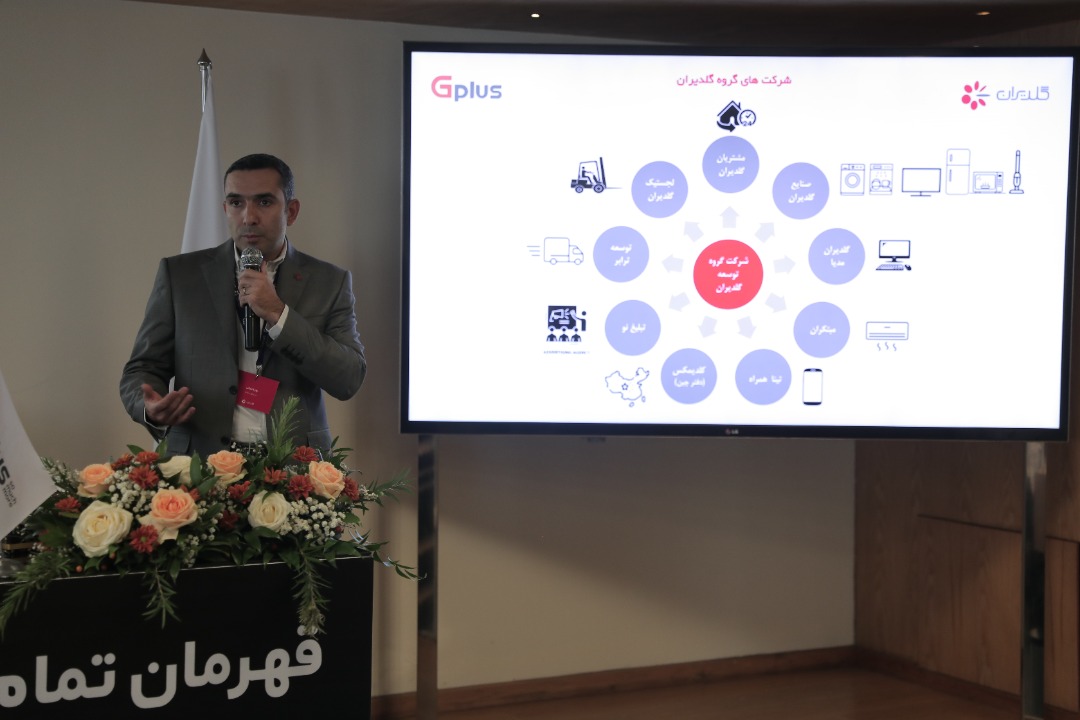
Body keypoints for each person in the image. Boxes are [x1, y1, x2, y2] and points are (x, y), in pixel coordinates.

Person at [120, 153, 366, 458]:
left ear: (291, 211)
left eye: (264, 202)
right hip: (200, 463)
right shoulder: (181, 276)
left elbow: (348, 379)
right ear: (225, 209)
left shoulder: (328, 281)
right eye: (236, 202)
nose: (248, 217)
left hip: (295, 467)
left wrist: (278, 314)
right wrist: (149, 407)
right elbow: (142, 368)